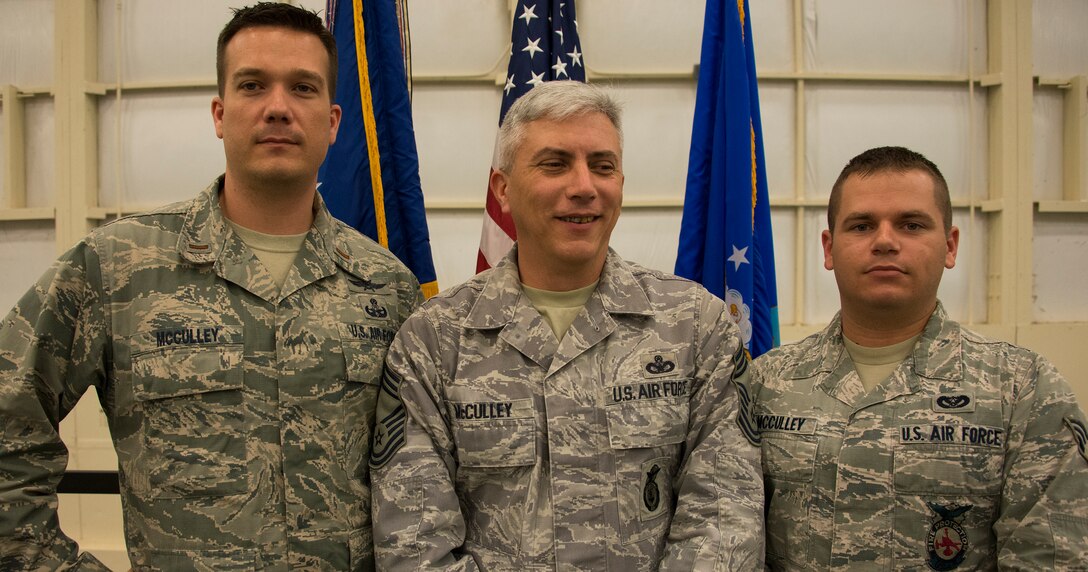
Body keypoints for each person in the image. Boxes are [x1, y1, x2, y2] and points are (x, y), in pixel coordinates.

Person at [0, 3, 420, 569]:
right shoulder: (118, 268)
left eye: (302, 87)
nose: (277, 108)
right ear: (220, 114)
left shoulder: (386, 288)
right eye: (253, 85)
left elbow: (419, 476)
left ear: (334, 122)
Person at [369, 80, 764, 570]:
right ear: (503, 189)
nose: (583, 186)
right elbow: (413, 540)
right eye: (554, 164)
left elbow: (726, 517)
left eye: (603, 166)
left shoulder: (695, 327)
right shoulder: (435, 340)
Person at [752, 145, 1088, 570]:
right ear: (829, 248)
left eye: (911, 225)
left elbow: (1051, 557)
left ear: (950, 246)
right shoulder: (767, 383)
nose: (885, 241)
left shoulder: (1023, 390)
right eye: (861, 225)